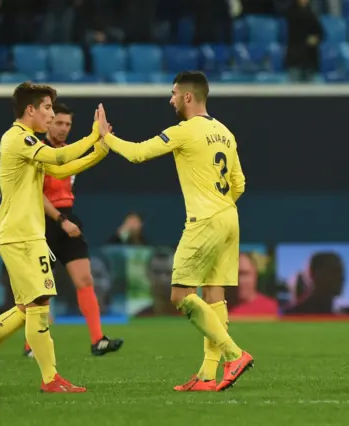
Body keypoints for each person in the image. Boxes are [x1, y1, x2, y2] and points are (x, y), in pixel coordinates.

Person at [95, 71, 254, 393]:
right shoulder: (225, 132)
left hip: (205, 220)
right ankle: (208, 376)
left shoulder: (185, 131)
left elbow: (138, 153)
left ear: (188, 97)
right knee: (214, 295)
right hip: (229, 217)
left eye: (173, 94)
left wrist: (105, 136)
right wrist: (220, 205)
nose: (170, 100)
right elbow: (239, 183)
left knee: (181, 296)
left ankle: (234, 355)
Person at [0, 82, 109, 393]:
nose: (52, 115)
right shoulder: (18, 138)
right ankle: (51, 379)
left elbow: (62, 171)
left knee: (29, 305)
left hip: (24, 233)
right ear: (30, 110)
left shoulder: (27, 142)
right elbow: (62, 158)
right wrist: (94, 135)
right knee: (39, 303)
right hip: (21, 235)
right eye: (48, 108)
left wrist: (101, 150)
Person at [22, 102, 123, 358]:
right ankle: (31, 343)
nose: (64, 128)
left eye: (68, 124)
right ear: (48, 122)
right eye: (59, 123)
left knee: (85, 279)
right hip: (45, 222)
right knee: (40, 288)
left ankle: (98, 340)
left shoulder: (68, 152)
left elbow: (79, 167)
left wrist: (101, 144)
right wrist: (60, 220)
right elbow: (36, 193)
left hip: (68, 217)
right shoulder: (36, 150)